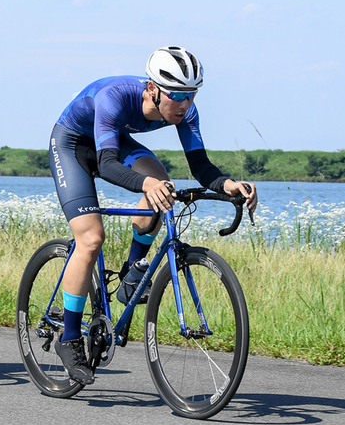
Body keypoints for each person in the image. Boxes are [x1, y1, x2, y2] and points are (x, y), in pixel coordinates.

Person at [48, 46, 258, 385]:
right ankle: (69, 337)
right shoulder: (114, 97)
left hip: (116, 143)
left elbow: (201, 166)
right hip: (73, 144)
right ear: (152, 89)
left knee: (162, 186)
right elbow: (107, 164)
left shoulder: (186, 112)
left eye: (191, 96)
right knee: (91, 239)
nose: (184, 105)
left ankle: (132, 274)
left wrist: (228, 185)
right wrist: (147, 183)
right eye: (176, 95)